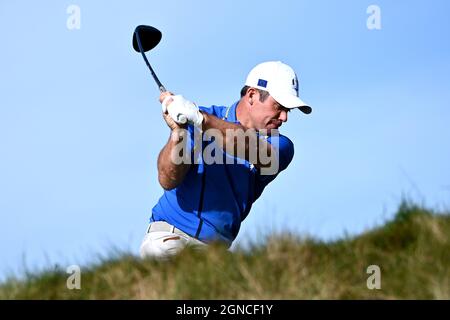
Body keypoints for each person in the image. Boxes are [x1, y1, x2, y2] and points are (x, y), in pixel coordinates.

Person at [139, 61, 312, 259]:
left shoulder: (281, 146)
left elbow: (252, 147)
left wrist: (201, 120)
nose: (284, 117)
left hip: (216, 252)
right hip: (169, 239)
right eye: (279, 106)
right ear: (252, 96)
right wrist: (178, 132)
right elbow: (168, 179)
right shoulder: (198, 119)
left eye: (288, 110)